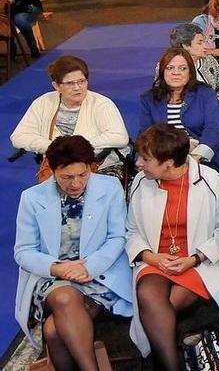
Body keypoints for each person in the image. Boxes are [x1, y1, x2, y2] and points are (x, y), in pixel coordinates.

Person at [14, 135, 133, 371]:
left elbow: (118, 237)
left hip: (98, 276)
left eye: (83, 174)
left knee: (53, 330)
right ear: (52, 170)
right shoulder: (32, 198)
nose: (76, 183)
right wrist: (57, 268)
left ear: (92, 167)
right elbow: (23, 251)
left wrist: (88, 267)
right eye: (67, 177)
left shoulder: (110, 188)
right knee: (65, 296)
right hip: (54, 278)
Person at [126, 124, 219, 367]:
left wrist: (195, 258)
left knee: (159, 310)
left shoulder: (209, 179)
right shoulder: (140, 181)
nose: (139, 163)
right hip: (156, 260)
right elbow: (132, 231)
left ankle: (162, 364)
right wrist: (150, 257)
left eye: (146, 159)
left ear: (168, 163)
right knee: (148, 294)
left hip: (201, 263)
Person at [11, 56, 129, 175]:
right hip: (58, 168)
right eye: (70, 83)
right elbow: (19, 137)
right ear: (56, 86)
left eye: (81, 81)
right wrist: (52, 147)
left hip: (98, 167)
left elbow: (120, 137)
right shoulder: (43, 102)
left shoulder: (101, 103)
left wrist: (76, 148)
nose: (77, 88)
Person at [140, 48, 219, 179]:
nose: (176, 73)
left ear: (190, 73)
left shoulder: (205, 93)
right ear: (162, 72)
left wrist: (197, 156)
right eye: (170, 68)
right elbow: (145, 133)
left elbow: (214, 129)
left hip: (203, 160)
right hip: (163, 160)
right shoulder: (148, 99)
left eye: (182, 68)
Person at [168, 23, 219, 91]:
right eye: (199, 43)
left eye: (204, 42)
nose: (205, 46)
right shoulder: (168, 64)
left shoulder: (210, 61)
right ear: (186, 46)